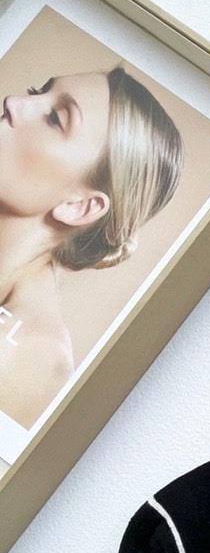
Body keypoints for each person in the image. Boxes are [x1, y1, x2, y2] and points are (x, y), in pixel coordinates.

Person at [0, 65, 182, 428]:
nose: (13, 102)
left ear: (80, 206)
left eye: (55, 118)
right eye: (37, 91)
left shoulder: (33, 355)